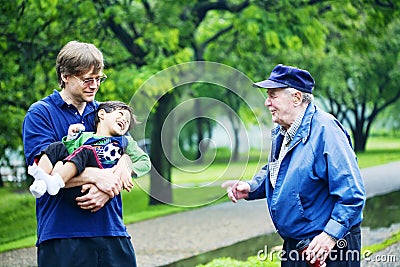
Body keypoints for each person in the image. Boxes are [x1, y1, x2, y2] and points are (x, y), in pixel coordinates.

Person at [222, 64, 366, 267]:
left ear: (297, 98)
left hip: (327, 246)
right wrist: (252, 187)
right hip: (296, 246)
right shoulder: (283, 132)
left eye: (273, 95)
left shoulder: (326, 131)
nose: (267, 102)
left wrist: (330, 236)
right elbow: (280, 171)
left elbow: (352, 195)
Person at [22, 41, 151, 267]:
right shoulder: (40, 113)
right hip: (62, 234)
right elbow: (45, 172)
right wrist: (97, 177)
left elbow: (131, 153)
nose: (94, 85)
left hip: (112, 231)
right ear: (65, 76)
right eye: (87, 79)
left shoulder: (106, 113)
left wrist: (125, 165)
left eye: (98, 79)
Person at [28, 101, 145, 199]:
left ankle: (56, 182)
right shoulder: (85, 137)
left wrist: (128, 168)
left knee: (86, 151)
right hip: (80, 172)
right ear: (102, 114)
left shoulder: (124, 141)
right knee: (57, 147)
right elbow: (70, 154)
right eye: (121, 114)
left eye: (128, 121)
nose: (124, 120)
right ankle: (40, 182)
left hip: (103, 172)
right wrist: (71, 138)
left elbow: (144, 161)